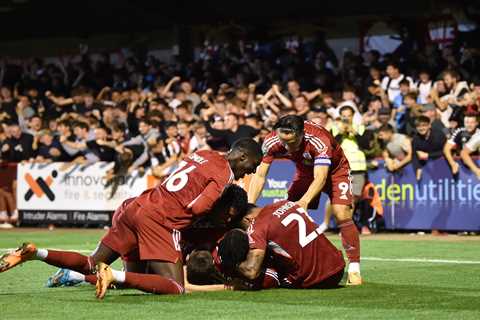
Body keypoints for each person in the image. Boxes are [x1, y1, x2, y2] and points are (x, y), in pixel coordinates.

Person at [0, 139, 263, 299]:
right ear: (241, 156)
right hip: (161, 219)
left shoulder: (204, 154)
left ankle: (36, 253)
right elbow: (196, 208)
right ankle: (113, 275)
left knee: (93, 263)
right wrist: (209, 215)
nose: (248, 171)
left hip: (138, 205)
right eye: (251, 165)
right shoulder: (224, 175)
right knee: (175, 287)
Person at [247, 115, 361, 285]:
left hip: (336, 171)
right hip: (305, 171)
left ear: (302, 134)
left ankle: (354, 267)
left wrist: (304, 202)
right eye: (283, 142)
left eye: (291, 143)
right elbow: (260, 175)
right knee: (283, 215)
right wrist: (248, 205)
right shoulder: (271, 140)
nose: (287, 147)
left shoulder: (318, 140)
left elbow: (321, 178)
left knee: (341, 213)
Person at [217, 200, 346, 289]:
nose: (248, 234)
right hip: (338, 268)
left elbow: (252, 271)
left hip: (317, 280)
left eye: (244, 229)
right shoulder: (285, 203)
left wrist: (231, 263)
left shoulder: (257, 226)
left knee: (269, 275)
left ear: (248, 219)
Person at [412, 116, 446, 180]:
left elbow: (445, 151)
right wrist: (418, 168)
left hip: (442, 164)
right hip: (427, 167)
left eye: (424, 125)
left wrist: (428, 155)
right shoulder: (416, 139)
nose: (421, 128)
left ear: (429, 125)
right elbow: (414, 155)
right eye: (418, 126)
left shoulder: (438, 135)